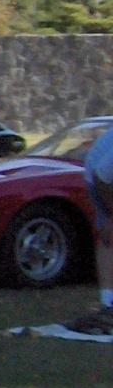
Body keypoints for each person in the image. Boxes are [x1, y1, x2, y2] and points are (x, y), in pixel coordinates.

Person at [77, 127, 113, 336]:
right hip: (100, 177)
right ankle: (108, 304)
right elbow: (102, 176)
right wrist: (110, 214)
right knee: (109, 236)